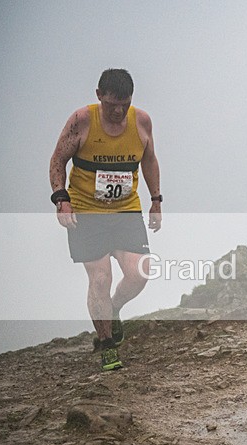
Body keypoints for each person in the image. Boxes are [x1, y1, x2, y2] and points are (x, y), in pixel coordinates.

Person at [49, 69, 162, 371]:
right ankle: (107, 345)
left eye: (124, 104)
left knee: (140, 273)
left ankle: (114, 309)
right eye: (112, 104)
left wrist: (156, 200)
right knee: (100, 278)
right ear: (99, 95)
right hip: (86, 212)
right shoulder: (82, 120)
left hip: (125, 210)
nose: (118, 111)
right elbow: (58, 159)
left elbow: (149, 160)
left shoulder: (142, 121)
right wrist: (61, 199)